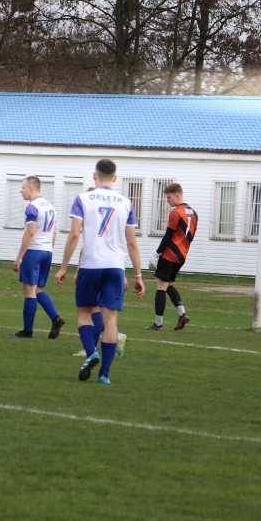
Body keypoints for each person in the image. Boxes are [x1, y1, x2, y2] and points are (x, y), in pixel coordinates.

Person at [55, 159, 145, 384]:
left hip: (91, 264)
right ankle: (104, 374)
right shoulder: (126, 203)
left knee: (84, 311)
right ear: (115, 178)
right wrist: (139, 275)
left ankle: (90, 352)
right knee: (111, 318)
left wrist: (64, 267)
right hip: (115, 265)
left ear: (94, 176)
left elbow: (75, 235)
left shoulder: (83, 199)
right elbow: (132, 242)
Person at [12, 176, 64, 339]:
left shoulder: (32, 207)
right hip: (47, 250)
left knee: (29, 291)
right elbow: (54, 232)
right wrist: (50, 253)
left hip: (34, 251)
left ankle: (27, 331)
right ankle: (55, 318)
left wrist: (20, 257)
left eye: (23, 187)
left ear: (31, 188)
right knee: (37, 289)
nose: (21, 190)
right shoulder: (50, 206)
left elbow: (30, 232)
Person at [147, 182, 197, 331]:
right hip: (182, 255)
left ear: (177, 195)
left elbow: (168, 236)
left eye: (169, 198)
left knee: (161, 286)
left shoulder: (176, 212)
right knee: (168, 284)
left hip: (170, 254)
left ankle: (158, 323)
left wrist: (156, 255)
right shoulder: (194, 213)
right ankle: (182, 314)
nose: (167, 201)